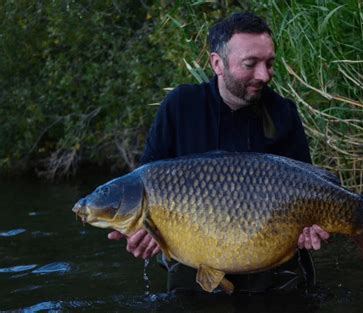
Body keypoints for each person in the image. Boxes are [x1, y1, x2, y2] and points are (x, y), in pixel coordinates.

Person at [108, 12, 330, 292]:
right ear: (217, 63)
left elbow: (310, 190)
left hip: (267, 249)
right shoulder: (180, 106)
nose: (263, 75)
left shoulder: (283, 112)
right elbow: (148, 185)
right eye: (250, 64)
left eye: (270, 63)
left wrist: (312, 229)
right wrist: (144, 232)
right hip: (193, 254)